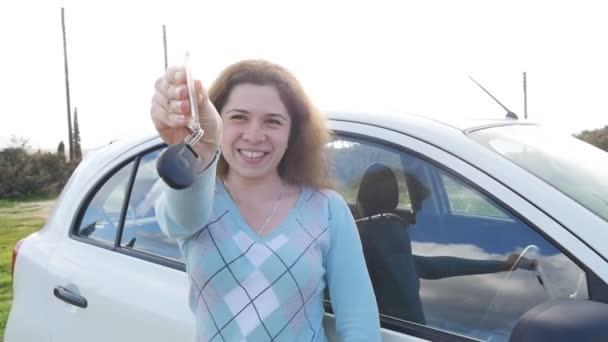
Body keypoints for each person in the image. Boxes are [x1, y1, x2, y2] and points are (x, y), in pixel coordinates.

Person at [150, 60, 381, 341]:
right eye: (239, 117)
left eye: (272, 121)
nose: (254, 135)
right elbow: (180, 219)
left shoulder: (328, 210)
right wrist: (203, 146)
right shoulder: (196, 197)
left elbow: (359, 325)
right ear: (218, 123)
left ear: (292, 133)